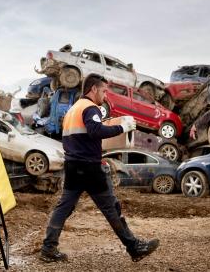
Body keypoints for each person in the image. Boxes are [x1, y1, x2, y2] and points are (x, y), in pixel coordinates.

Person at [39, 74, 160, 263]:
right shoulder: (90, 108)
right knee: (111, 208)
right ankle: (134, 247)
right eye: (104, 91)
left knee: (63, 208)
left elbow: (82, 135)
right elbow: (95, 131)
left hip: (72, 166)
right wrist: (122, 128)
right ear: (93, 89)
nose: (105, 95)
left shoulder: (73, 110)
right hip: (89, 168)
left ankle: (48, 248)